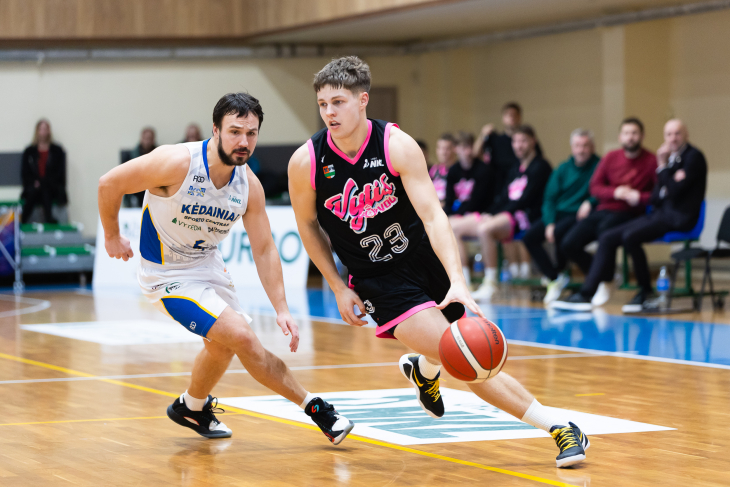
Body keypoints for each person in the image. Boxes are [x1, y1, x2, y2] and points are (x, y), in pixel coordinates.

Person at [288, 56, 589, 468]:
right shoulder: (306, 162)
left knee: (453, 343)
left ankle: (423, 371)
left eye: (338, 102)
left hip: (423, 256)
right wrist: (338, 286)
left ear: (363, 100)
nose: (329, 113)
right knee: (463, 355)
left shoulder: (396, 145)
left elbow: (433, 215)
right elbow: (307, 226)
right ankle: (561, 427)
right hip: (380, 280)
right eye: (323, 104)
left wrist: (458, 281)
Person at [98, 93, 354, 445]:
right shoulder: (177, 162)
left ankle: (191, 406)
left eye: (251, 133)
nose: (243, 141)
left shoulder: (249, 185)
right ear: (215, 130)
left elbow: (264, 248)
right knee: (242, 337)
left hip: (207, 265)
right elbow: (109, 183)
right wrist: (112, 235)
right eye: (235, 131)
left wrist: (281, 308)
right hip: (166, 274)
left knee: (221, 347)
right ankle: (316, 408)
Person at [556, 120, 706, 312]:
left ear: (686, 134)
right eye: (669, 134)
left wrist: (662, 169)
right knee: (608, 237)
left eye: (677, 133)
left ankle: (644, 291)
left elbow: (674, 192)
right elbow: (658, 195)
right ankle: (587, 294)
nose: (673, 138)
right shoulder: (671, 159)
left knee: (629, 236)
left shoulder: (692, 157)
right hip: (660, 214)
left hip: (678, 218)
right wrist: (666, 179)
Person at [553, 118, 657, 310]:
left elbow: (659, 194)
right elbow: (595, 187)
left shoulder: (651, 161)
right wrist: (615, 192)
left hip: (629, 213)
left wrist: (639, 197)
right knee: (568, 243)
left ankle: (587, 292)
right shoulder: (610, 157)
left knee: (605, 232)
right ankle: (605, 276)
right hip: (603, 210)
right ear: (620, 137)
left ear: (642, 136)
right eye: (626, 133)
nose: (630, 137)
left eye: (634, 133)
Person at [464, 126, 552, 302]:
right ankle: (463, 281)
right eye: (515, 141)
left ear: (533, 141)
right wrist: (490, 213)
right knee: (458, 227)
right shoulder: (514, 169)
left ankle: (490, 283)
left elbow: (525, 200)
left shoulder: (541, 167)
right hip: (508, 215)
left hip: (527, 217)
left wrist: (497, 215)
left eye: (523, 141)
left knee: (484, 230)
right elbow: (504, 197)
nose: (518, 145)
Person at [522, 129, 600, 303]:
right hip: (558, 214)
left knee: (561, 235)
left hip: (580, 215)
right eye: (578, 146)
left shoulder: (599, 166)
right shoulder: (562, 168)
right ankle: (554, 277)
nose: (581, 150)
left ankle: (578, 272)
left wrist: (590, 202)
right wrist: (549, 222)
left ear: (592, 147)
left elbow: (602, 189)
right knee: (529, 238)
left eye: (585, 146)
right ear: (572, 148)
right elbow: (549, 198)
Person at [20, 119, 67, 224]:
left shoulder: (57, 151)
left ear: (49, 131)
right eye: (41, 129)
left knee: (45, 187)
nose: (43, 132)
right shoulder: (29, 152)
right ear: (37, 131)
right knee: (36, 190)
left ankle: (25, 219)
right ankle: (26, 220)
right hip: (34, 188)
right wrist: (35, 182)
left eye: (45, 129)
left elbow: (60, 173)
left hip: (52, 187)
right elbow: (25, 173)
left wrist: (45, 182)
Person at [444, 132, 495, 217]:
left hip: (479, 213)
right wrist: (447, 215)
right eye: (464, 147)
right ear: (455, 148)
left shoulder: (484, 170)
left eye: (470, 146)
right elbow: (449, 201)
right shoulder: (453, 171)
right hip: (457, 213)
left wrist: (455, 216)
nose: (468, 151)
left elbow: (477, 202)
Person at [123, 127, 158, 207]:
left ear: (153, 139)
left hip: (154, 187)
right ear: (141, 138)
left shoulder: (159, 154)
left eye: (150, 139)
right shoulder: (132, 155)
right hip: (137, 189)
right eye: (146, 138)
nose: (147, 141)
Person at [429, 133, 457, 208]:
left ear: (454, 150)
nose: (443, 152)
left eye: (447, 149)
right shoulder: (434, 169)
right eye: (440, 148)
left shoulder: (458, 170)